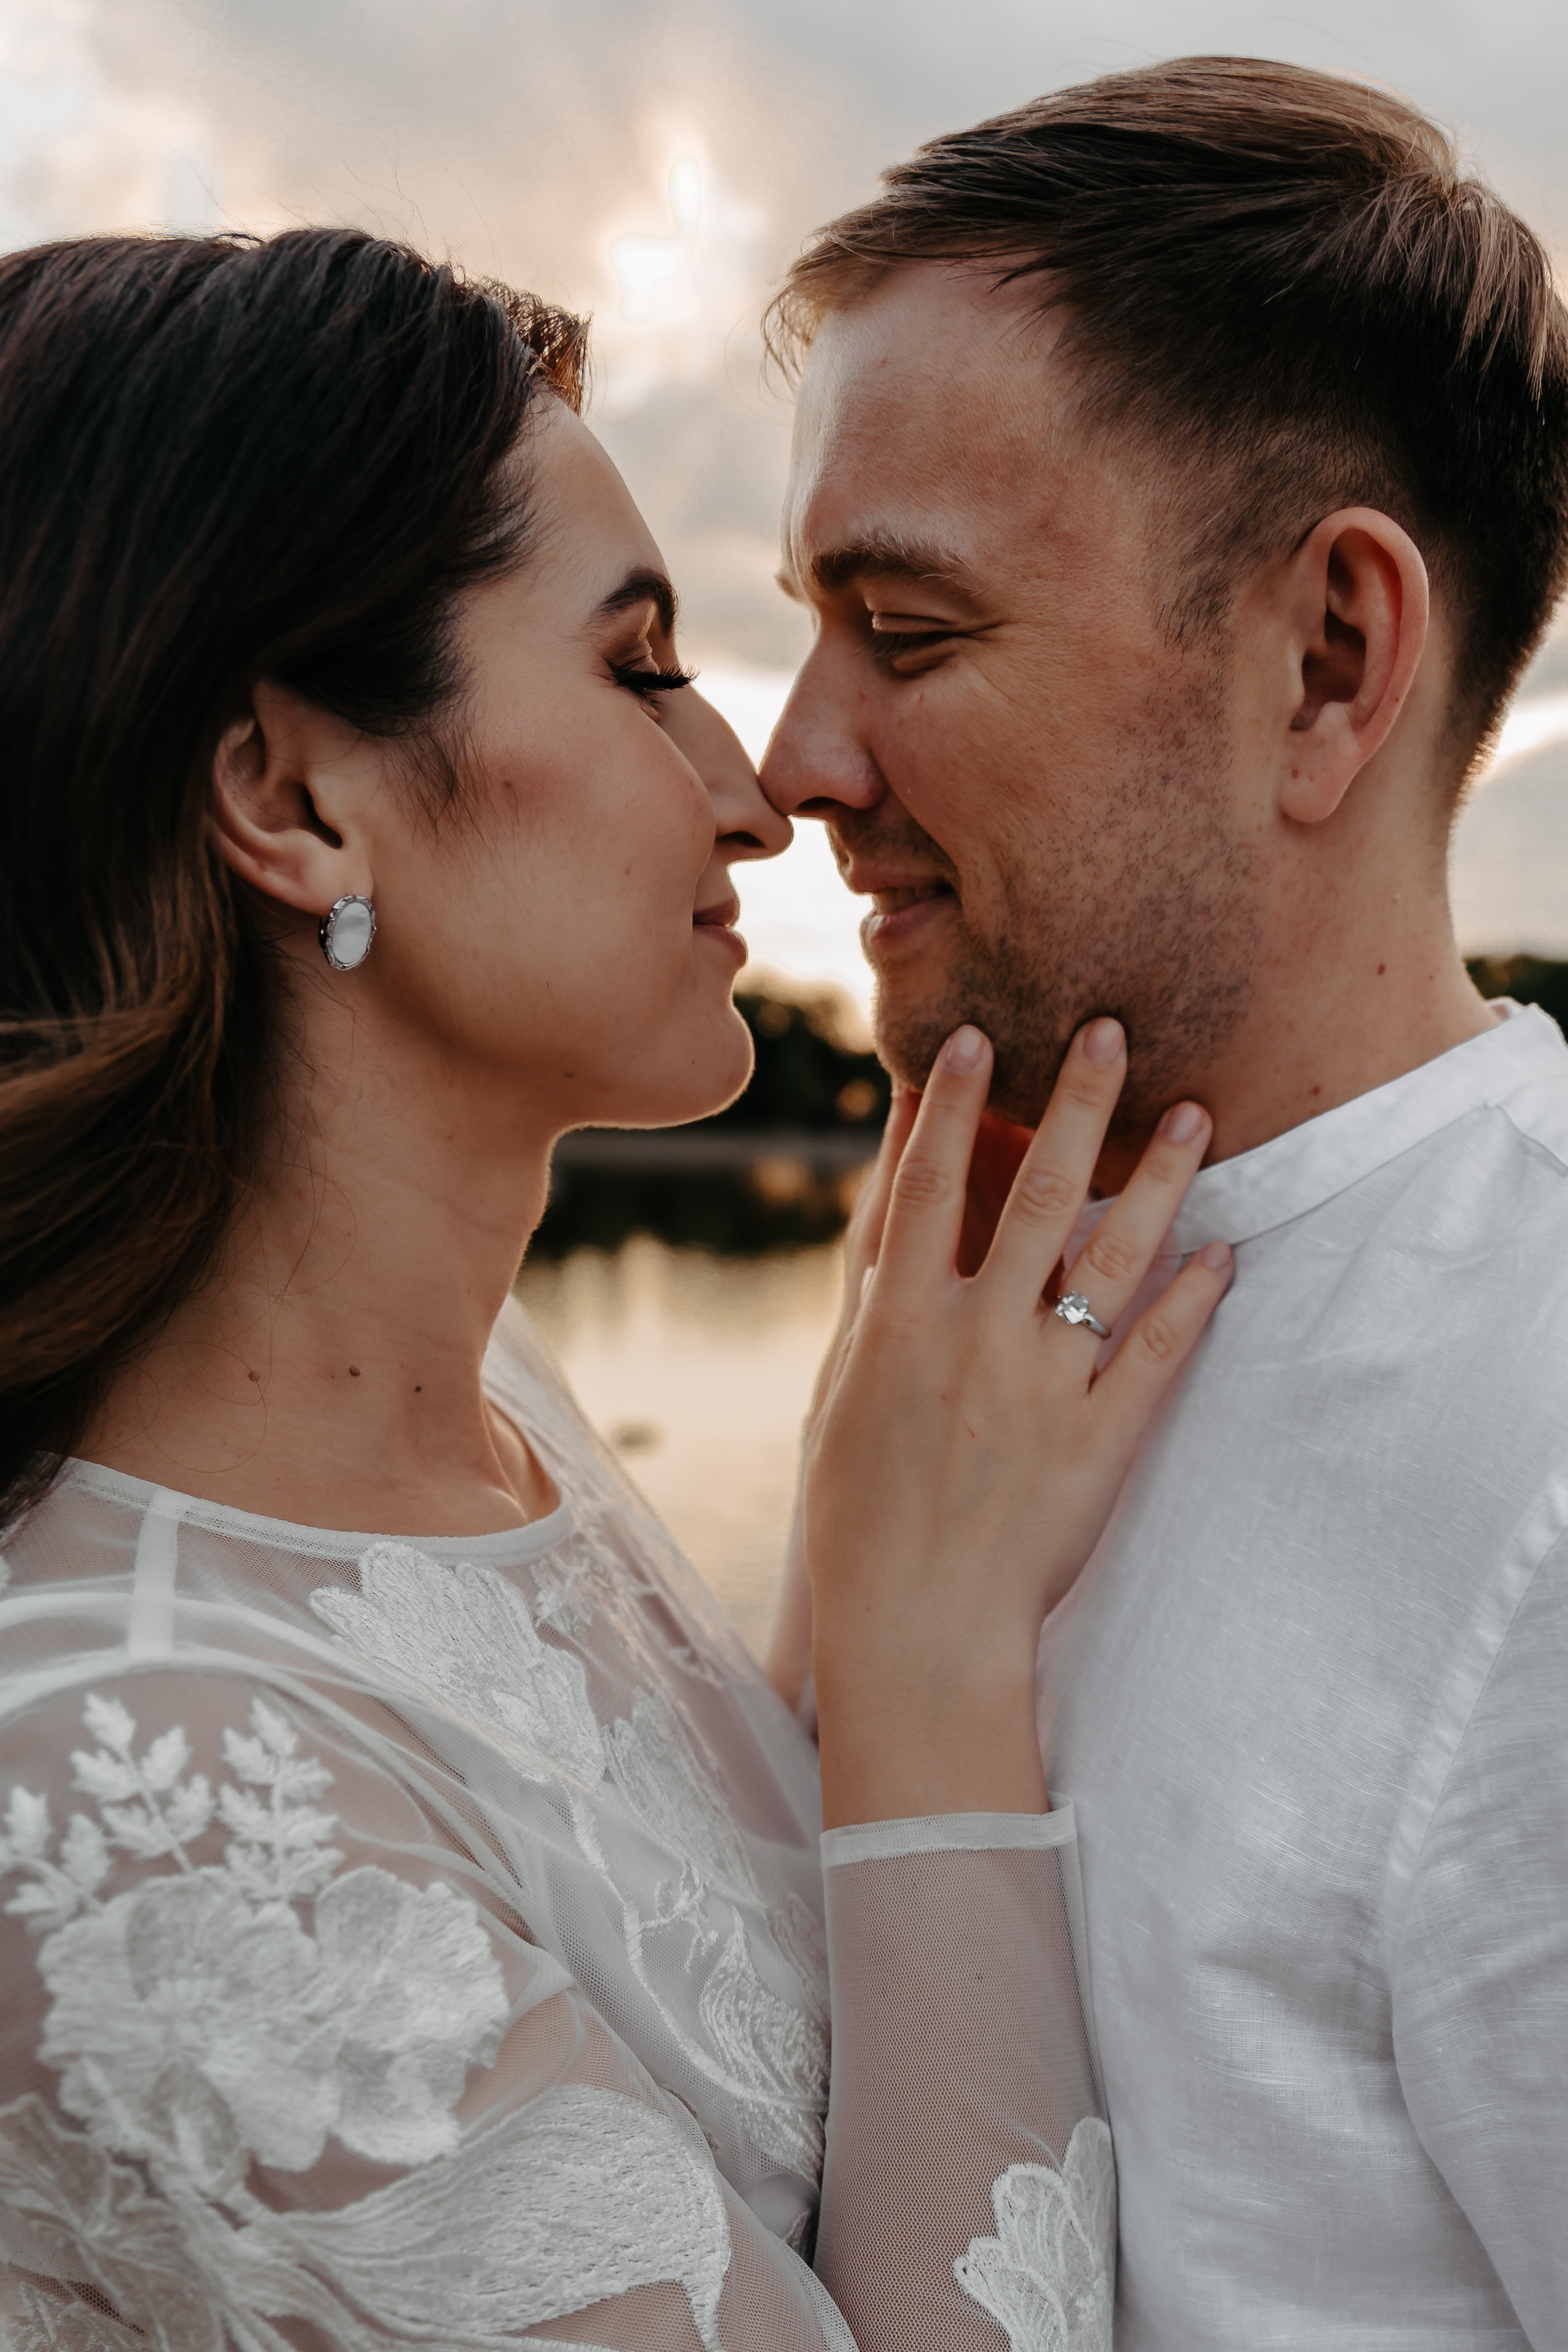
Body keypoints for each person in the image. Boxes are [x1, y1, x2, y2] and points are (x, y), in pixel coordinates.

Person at [0, 226, 1232, 2349]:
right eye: (640, 665)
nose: (755, 795)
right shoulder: (141, 1787)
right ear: (295, 798)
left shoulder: (485, 1416)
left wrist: (860, 1558)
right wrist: (926, 1673)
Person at [761, 53, 1568, 2352]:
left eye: (905, 634)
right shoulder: (951, 1290)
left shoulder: (1542, 1445)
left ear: (1323, 664)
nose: (796, 756)